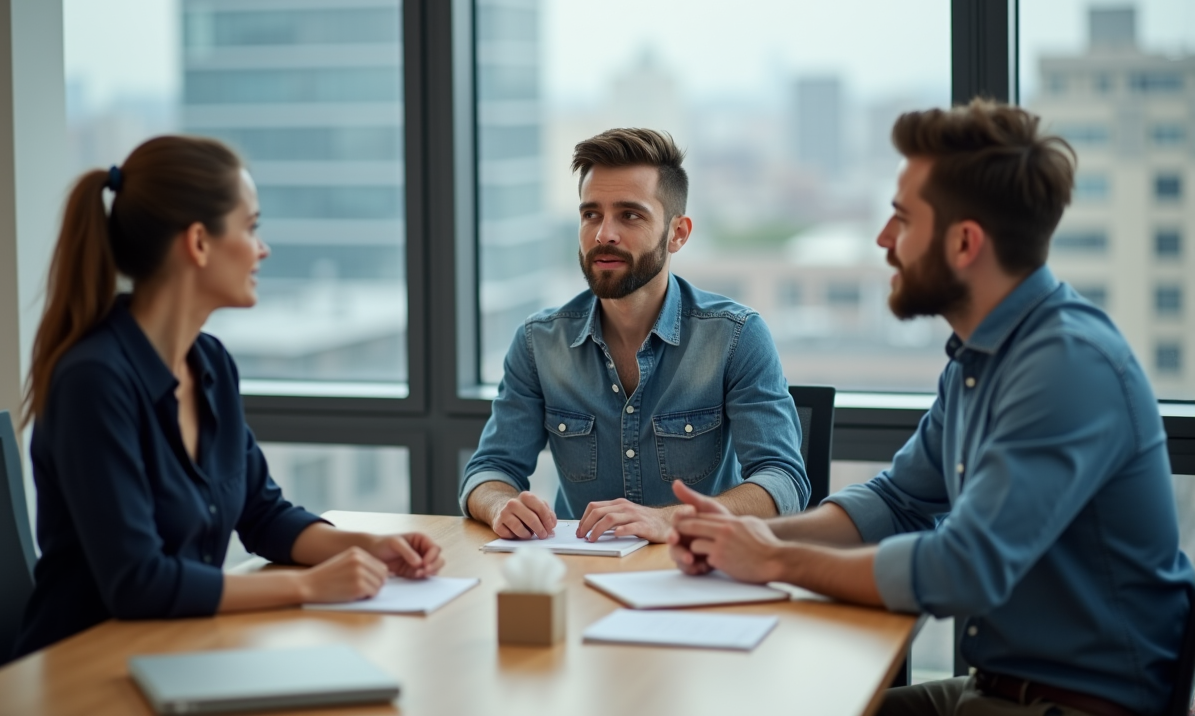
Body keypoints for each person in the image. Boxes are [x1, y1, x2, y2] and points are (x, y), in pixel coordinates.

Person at [668, 101, 1194, 716]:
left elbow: (965, 568)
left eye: (901, 219)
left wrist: (776, 560)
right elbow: (899, 501)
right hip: (993, 689)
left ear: (965, 242)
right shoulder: (981, 358)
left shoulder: (1065, 365)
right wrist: (746, 536)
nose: (884, 240)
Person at [14, 136, 444, 658]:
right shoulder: (94, 380)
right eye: (251, 227)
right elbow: (138, 581)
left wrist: (370, 546)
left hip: (180, 649)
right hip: (83, 669)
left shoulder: (210, 362)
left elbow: (263, 516)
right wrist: (308, 587)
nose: (262, 249)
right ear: (198, 243)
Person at [460, 128, 808, 545]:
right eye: (591, 214)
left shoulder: (735, 336)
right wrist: (500, 504)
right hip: (578, 575)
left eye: (630, 215)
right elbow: (488, 470)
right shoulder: (539, 342)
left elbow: (783, 481)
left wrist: (670, 520)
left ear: (677, 233)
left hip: (698, 570)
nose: (604, 233)